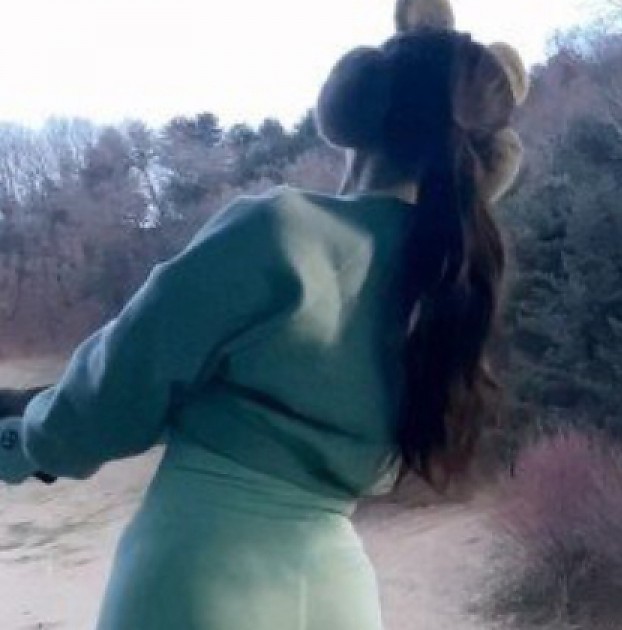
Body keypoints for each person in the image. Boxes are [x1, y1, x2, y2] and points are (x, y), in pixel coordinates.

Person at [0, 0, 528, 627]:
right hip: (338, 593)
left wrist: (23, 437)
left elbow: (117, 391)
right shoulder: (445, 282)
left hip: (200, 570)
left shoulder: (282, 232)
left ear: (355, 110)